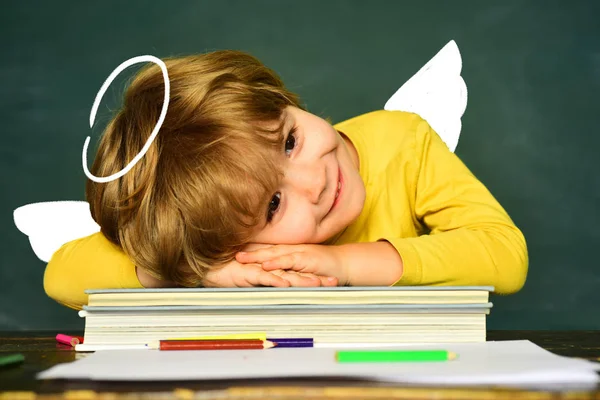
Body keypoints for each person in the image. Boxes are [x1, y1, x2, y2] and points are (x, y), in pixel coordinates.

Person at [44, 50, 528, 310]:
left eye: (290, 141)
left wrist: (340, 262)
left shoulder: (401, 140)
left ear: (283, 99)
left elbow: (505, 255)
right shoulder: (216, 248)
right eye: (273, 205)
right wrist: (198, 269)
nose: (314, 181)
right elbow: (61, 274)